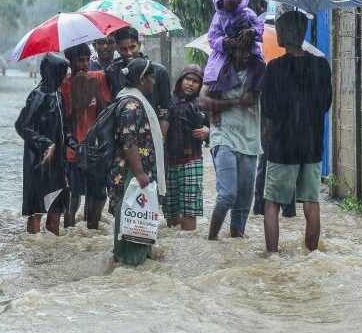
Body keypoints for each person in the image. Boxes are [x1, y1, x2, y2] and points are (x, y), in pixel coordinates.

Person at [261, 11, 332, 253]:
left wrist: (265, 139)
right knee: (311, 202)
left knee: (272, 203)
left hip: (282, 145)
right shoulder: (321, 66)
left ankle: (272, 255)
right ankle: (312, 254)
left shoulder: (274, 68)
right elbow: (325, 104)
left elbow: (268, 110)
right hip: (312, 145)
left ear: (283, 35)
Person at [199, 42, 264, 241]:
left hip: (250, 141)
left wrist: (265, 135)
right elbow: (202, 101)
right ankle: (211, 241)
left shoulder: (258, 72)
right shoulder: (218, 70)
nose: (246, 54)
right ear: (231, 49)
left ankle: (235, 245)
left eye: (249, 49)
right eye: (241, 49)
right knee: (227, 194)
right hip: (223, 137)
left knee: (243, 204)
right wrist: (237, 101)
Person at [109, 58, 166, 266]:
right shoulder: (132, 104)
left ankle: (133, 266)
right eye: (151, 78)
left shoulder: (130, 99)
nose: (154, 82)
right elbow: (129, 140)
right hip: (131, 173)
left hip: (133, 172)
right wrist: (140, 172)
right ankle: (130, 266)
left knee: (137, 221)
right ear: (142, 79)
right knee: (132, 222)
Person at [15, 53, 71, 235]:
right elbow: (22, 125)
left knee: (56, 206)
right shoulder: (38, 95)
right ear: (55, 73)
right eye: (64, 71)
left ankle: (53, 247)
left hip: (58, 162)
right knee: (36, 209)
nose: (67, 75)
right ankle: (33, 246)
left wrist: (74, 144)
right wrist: (45, 143)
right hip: (38, 161)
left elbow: (62, 127)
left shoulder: (58, 94)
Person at [61, 43, 112, 229]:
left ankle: (93, 229)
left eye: (86, 60)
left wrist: (94, 90)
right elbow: (65, 120)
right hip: (72, 151)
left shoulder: (99, 77)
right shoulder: (64, 85)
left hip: (96, 149)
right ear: (70, 62)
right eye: (79, 61)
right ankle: (69, 230)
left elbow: (107, 112)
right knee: (73, 196)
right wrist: (77, 92)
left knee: (98, 195)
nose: (83, 65)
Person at [160, 65, 210, 231]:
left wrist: (207, 131)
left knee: (190, 211)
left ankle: (188, 239)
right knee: (171, 210)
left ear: (200, 85)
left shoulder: (203, 103)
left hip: (192, 160)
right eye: (188, 79)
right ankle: (176, 242)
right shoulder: (169, 100)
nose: (190, 84)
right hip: (169, 162)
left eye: (195, 81)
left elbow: (217, 128)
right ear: (181, 80)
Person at [204, 0, 264, 94]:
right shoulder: (218, 17)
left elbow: (259, 25)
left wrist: (252, 31)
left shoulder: (247, 12)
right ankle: (220, 93)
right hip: (227, 51)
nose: (231, 1)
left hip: (249, 47)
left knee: (260, 65)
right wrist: (225, 42)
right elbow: (212, 38)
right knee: (217, 71)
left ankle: (254, 91)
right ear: (221, 1)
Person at [105, 27, 171, 121]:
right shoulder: (112, 71)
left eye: (132, 47)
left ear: (139, 45)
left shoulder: (158, 71)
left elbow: (166, 111)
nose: (129, 53)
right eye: (123, 49)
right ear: (117, 49)